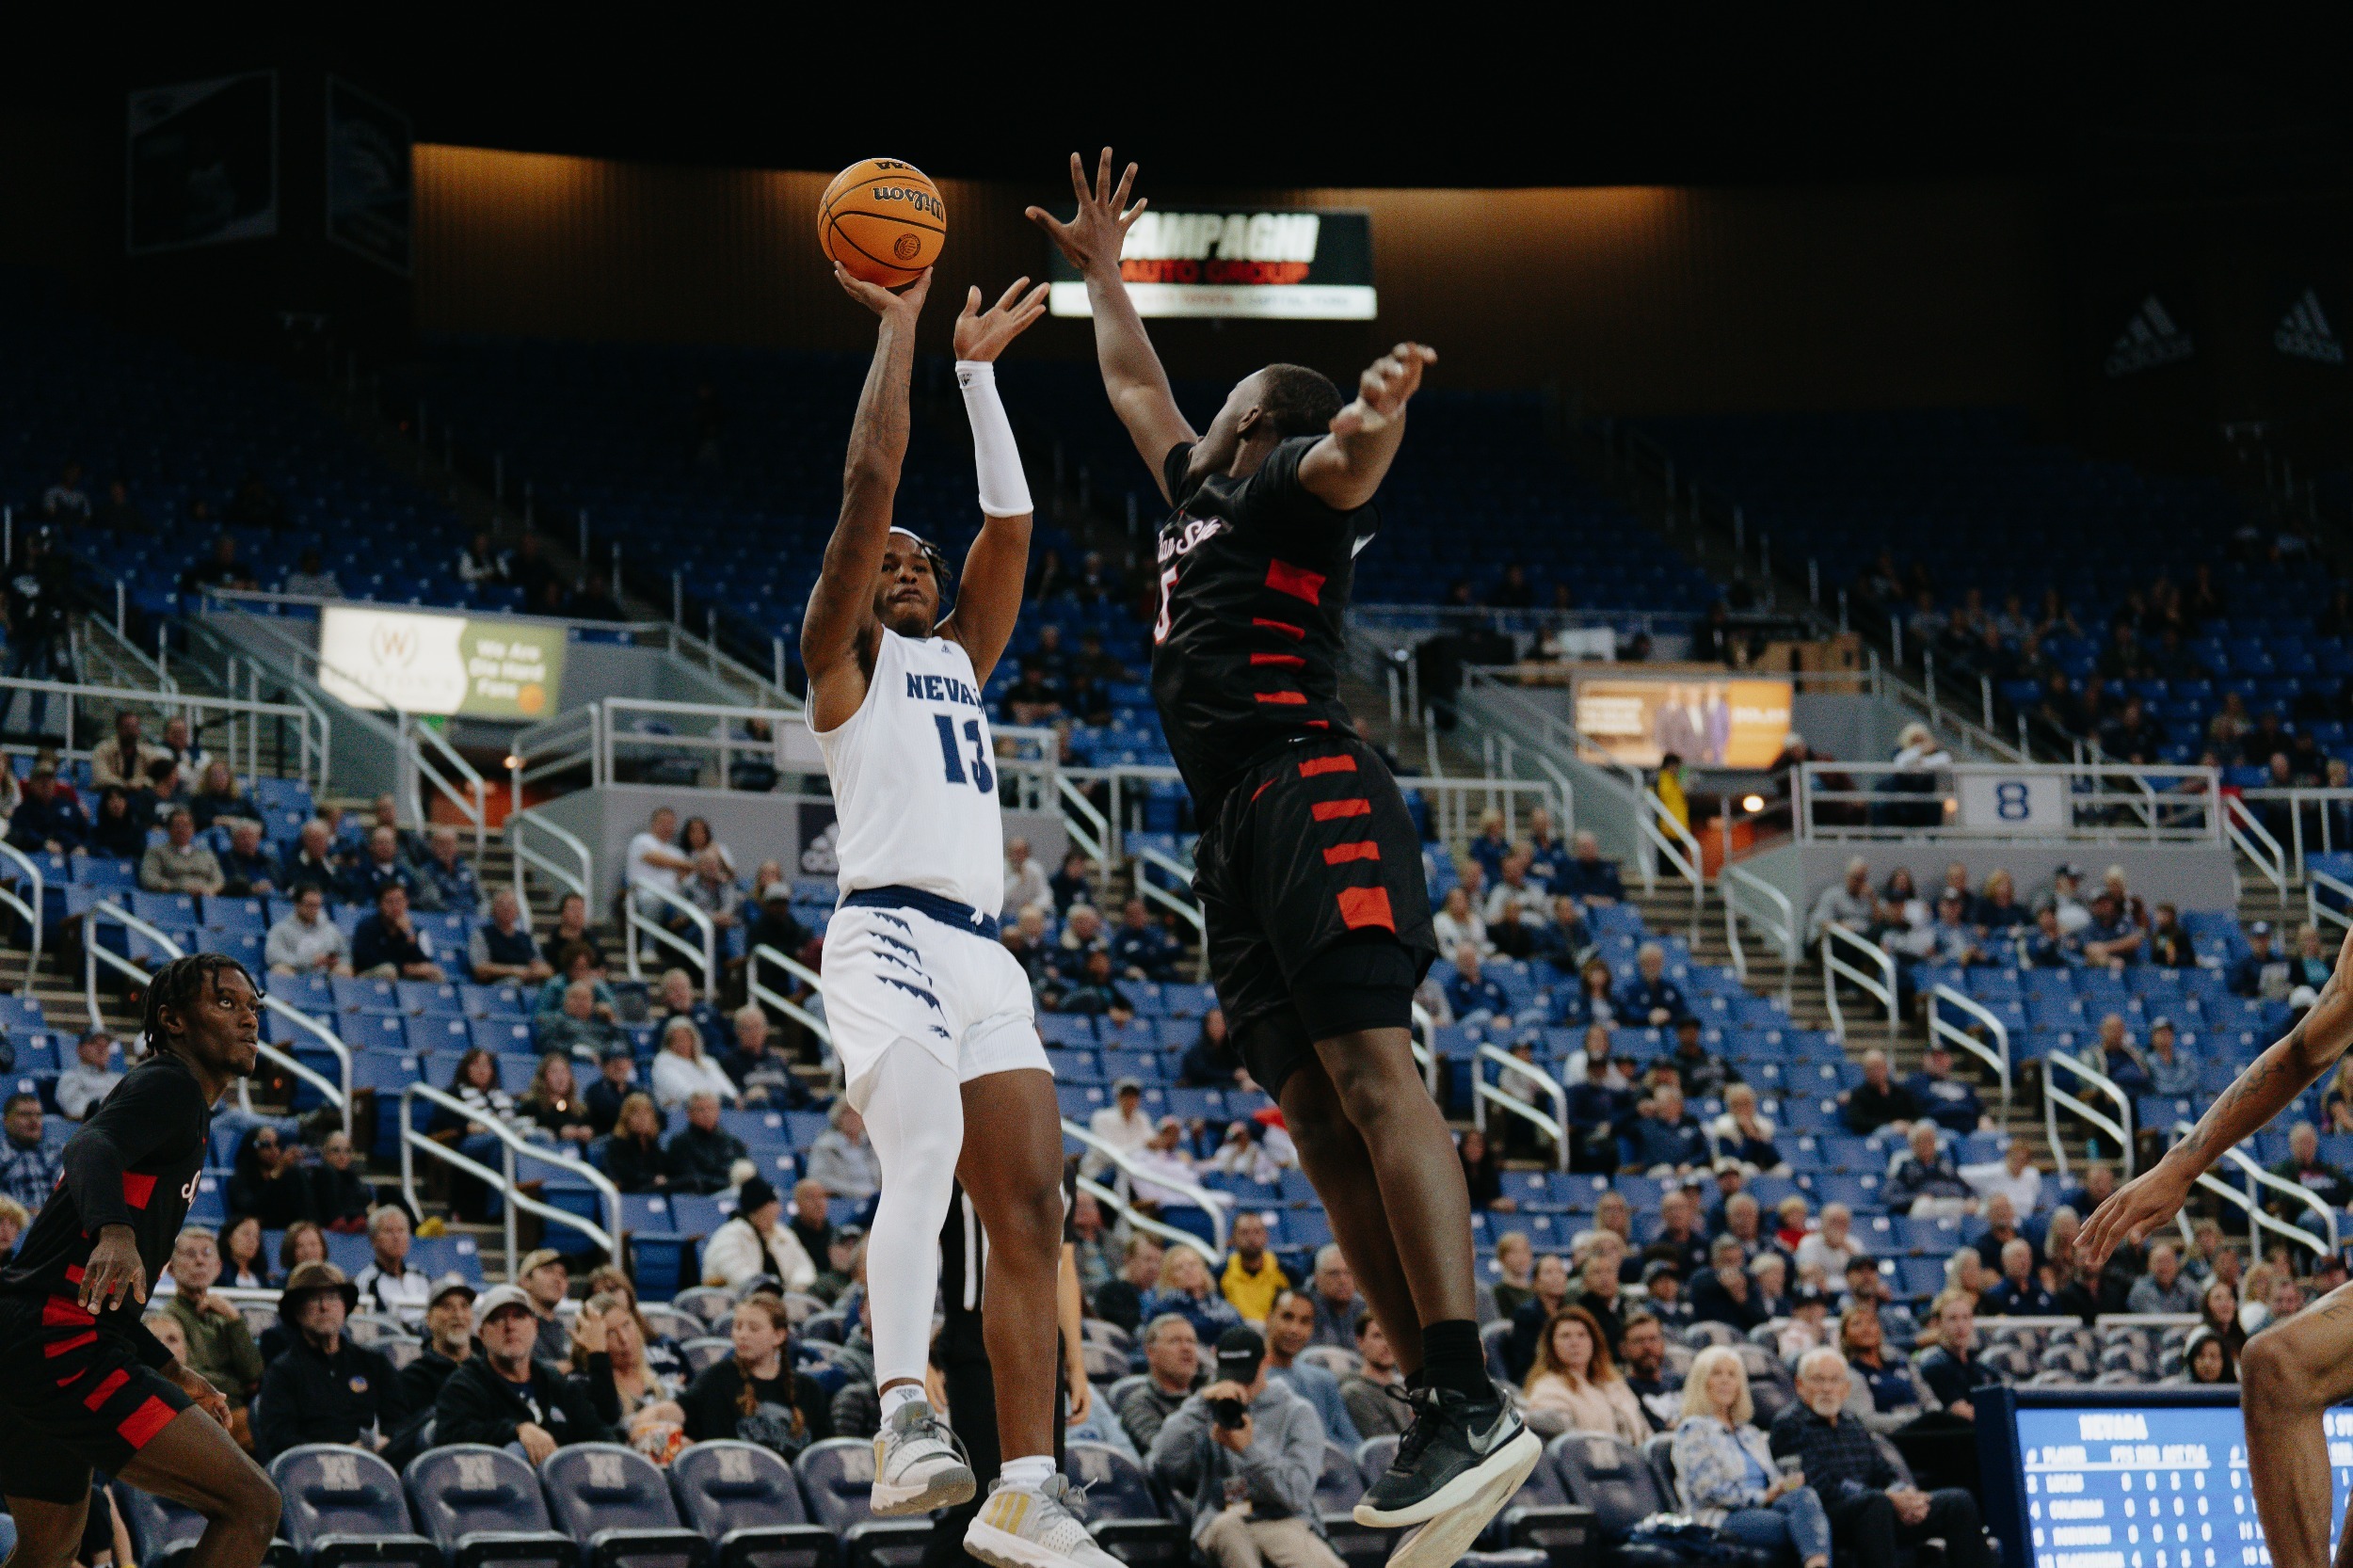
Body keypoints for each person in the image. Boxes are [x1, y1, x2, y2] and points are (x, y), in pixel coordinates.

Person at [1050, 149, 1532, 1547]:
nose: (1200, 416)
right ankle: (1434, 1400)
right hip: (1233, 830)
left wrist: (1374, 418)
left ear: (1257, 424)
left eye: (1233, 404)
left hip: (1309, 784)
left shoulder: (1278, 492)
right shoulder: (1196, 496)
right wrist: (1103, 279)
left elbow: (1342, 462)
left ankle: (1464, 1384)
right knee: (1316, 1123)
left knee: (1378, 1080)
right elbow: (1138, 387)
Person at [793, 261, 1096, 1557]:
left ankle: (1026, 1484)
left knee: (1031, 1207)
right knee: (916, 1145)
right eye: (892, 560)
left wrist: (979, 376)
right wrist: (904, 331)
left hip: (984, 951)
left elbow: (1012, 530)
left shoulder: (962, 662)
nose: (908, 563)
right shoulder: (839, 660)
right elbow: (871, 486)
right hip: (884, 929)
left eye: (923, 558)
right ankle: (905, 1411)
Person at [0, 954, 278, 1567]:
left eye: (253, 1005)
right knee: (253, 1506)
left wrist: (173, 1372)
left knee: (49, 1546)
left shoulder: (186, 1111)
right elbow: (86, 1142)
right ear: (174, 1020)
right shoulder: (170, 1085)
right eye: (225, 1003)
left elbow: (103, 1298)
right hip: (56, 1340)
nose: (248, 1018)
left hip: (31, 1335)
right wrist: (115, 1231)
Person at [1770, 1348, 1993, 1568]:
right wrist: (1888, 1498)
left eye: (1835, 1380)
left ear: (1846, 1388)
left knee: (1957, 1501)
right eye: (1818, 1380)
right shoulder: (1789, 1423)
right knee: (1874, 1504)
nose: (1827, 1388)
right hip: (1827, 1515)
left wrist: (1904, 1496)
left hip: (1877, 1510)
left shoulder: (1852, 1422)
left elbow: (1883, 1471)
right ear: (1800, 1385)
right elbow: (1818, 1486)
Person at [1147, 1325, 1342, 1568]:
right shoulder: (1206, 1408)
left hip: (1282, 1520)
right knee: (1229, 1528)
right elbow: (1164, 1461)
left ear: (1265, 1363)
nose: (1239, 1384)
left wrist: (1248, 1451)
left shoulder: (1297, 1413)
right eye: (1231, 1375)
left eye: (1246, 1374)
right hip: (1220, 1518)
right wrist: (1199, 1403)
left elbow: (1295, 1495)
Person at [1671, 1346, 1833, 1568]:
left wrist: (1784, 1486)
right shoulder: (1693, 1430)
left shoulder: (1751, 1433)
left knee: (1805, 1496)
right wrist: (1764, 1496)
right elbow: (1707, 1491)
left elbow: (1773, 1480)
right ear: (1702, 1381)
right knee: (1805, 1527)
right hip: (1721, 1516)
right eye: (1717, 1373)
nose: (1725, 1381)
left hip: (1764, 1508)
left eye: (1732, 1375)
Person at [434, 1283, 616, 1463]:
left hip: (561, 1486)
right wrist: (517, 1430)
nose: (509, 1326)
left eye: (519, 1316)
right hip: (500, 1485)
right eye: (497, 1318)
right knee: (516, 1450)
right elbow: (450, 1437)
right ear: (482, 1334)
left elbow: (600, 1430)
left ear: (535, 1326)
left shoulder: (554, 1381)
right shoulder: (465, 1384)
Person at [252, 1261, 407, 1460]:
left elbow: (400, 1421)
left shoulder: (374, 1363)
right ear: (297, 1311)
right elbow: (280, 1438)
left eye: (333, 1297)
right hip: (312, 1473)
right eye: (314, 1299)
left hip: (375, 1467)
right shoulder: (282, 1372)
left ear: (344, 1307)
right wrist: (337, 1453)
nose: (324, 1306)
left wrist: (387, 1439)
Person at [678, 1293, 831, 1450]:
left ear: (778, 1336)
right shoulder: (716, 1378)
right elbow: (676, 1410)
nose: (743, 1335)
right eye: (737, 1327)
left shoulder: (809, 1390)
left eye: (754, 1328)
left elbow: (824, 1458)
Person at [160, 1228, 265, 1448]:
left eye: (207, 1253)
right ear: (170, 1269)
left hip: (235, 1414)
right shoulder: (167, 1320)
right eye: (190, 1254)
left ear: (218, 1267)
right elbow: (188, 1377)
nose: (200, 1261)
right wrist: (236, 1385)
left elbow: (254, 1372)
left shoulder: (225, 1316)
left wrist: (235, 1318)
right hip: (196, 1415)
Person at [1523, 1305, 1647, 1444]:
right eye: (1565, 1336)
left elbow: (1645, 1431)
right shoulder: (1547, 1388)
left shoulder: (1613, 1382)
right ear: (1552, 1346)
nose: (1575, 1342)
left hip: (1635, 1461)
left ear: (1594, 1341)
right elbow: (1567, 1445)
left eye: (1582, 1335)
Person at [1262, 1289, 1361, 1447]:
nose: (1295, 1329)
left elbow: (1353, 1443)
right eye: (1287, 1317)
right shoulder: (1252, 1380)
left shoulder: (1324, 1380)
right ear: (1269, 1319)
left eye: (1304, 1321)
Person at [702, 1176, 820, 1292]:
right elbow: (739, 1276)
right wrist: (770, 1288)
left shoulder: (783, 1234)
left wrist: (799, 1285)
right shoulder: (729, 1235)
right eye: (773, 1203)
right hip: (735, 1302)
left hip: (781, 1299)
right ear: (759, 1208)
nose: (779, 1209)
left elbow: (804, 1267)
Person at [1119, 1313, 1204, 1454]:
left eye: (1191, 1341)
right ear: (1151, 1353)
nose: (1186, 1348)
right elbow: (1165, 1455)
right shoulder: (1139, 1403)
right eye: (1175, 1341)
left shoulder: (1207, 1392)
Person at [1911, 1291, 1993, 1418]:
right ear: (1938, 1324)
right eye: (1952, 1318)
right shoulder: (1935, 1366)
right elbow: (1963, 1414)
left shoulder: (1979, 1365)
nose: (1960, 1326)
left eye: (1966, 1317)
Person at [351, 1206, 431, 1329]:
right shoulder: (367, 1281)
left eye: (401, 1230)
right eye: (389, 1231)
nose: (396, 1237)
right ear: (373, 1239)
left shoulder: (421, 1276)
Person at [350, 884, 444, 983]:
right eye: (389, 902)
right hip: (369, 977)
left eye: (399, 901)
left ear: (407, 902)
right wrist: (403, 967)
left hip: (403, 974)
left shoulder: (415, 930)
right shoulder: (366, 926)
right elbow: (367, 960)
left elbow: (425, 961)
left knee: (434, 972)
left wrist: (410, 936)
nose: (395, 906)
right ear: (379, 904)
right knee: (389, 970)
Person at [1341, 1313, 1411, 1440]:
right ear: (1360, 1342)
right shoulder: (1355, 1392)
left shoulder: (1406, 1386)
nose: (1387, 1344)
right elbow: (1384, 1446)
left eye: (1391, 1336)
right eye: (1378, 1336)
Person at [663, 1092, 746, 1196]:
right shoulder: (680, 1143)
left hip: (732, 1190)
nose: (707, 1114)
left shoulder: (732, 1142)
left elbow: (748, 1171)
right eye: (701, 1110)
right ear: (689, 1114)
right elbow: (691, 1179)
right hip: (702, 1197)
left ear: (718, 1112)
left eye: (711, 1109)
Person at [470, 888, 552, 985]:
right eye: (502, 905)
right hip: (500, 987)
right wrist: (514, 970)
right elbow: (480, 969)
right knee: (514, 982)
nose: (507, 908)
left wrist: (536, 971)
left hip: (530, 982)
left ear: (517, 910)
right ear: (493, 910)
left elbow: (546, 969)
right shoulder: (482, 934)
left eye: (511, 905)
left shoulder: (526, 937)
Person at [1220, 1212, 1290, 1324]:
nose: (1251, 1238)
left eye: (1257, 1232)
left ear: (1266, 1236)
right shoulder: (1219, 1273)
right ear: (1232, 1238)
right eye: (1244, 1233)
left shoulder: (1288, 1272)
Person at [805, 1100, 881, 1200]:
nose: (853, 1118)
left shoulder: (872, 1144)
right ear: (838, 1118)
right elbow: (818, 1178)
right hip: (846, 1199)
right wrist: (857, 1193)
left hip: (877, 1199)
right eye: (847, 1113)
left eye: (856, 1113)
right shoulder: (826, 1145)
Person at [603, 1093, 671, 1193]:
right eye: (635, 1113)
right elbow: (624, 1175)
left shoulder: (653, 1144)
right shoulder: (616, 1145)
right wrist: (652, 1179)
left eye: (646, 1113)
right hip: (631, 1196)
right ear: (626, 1119)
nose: (642, 1118)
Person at [2126, 1241, 2201, 1314]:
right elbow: (2158, 1322)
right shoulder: (2141, 1289)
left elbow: (2201, 1305)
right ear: (2149, 1265)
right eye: (2159, 1262)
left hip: (2183, 1326)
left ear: (2176, 1264)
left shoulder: (2186, 1284)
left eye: (2168, 1261)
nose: (2165, 1267)